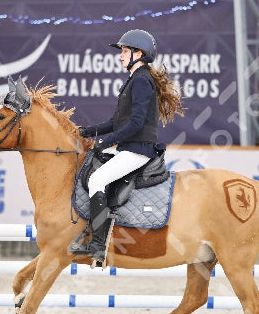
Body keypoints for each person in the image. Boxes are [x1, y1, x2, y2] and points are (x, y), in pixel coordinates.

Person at [69, 29, 183, 261]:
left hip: (138, 150)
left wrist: (105, 142)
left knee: (97, 179)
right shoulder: (134, 80)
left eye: (124, 51)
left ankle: (98, 245)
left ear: (137, 53)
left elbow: (136, 123)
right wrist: (86, 132)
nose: (120, 56)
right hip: (130, 148)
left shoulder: (141, 80)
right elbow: (116, 122)